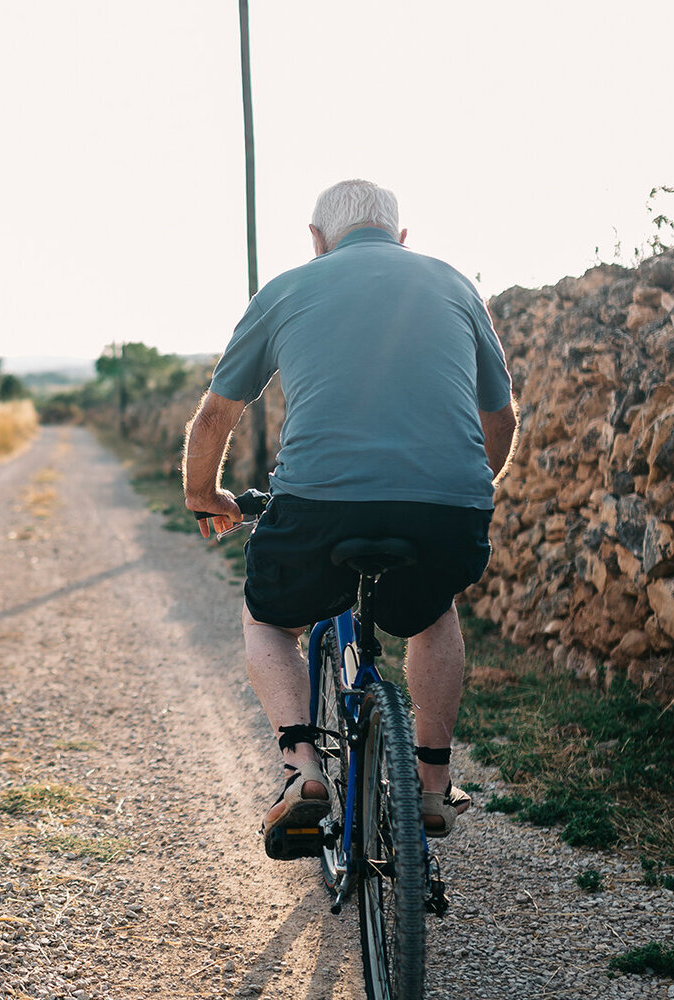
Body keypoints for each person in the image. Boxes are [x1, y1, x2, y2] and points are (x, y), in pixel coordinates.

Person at [182, 179, 518, 853]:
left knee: (268, 621)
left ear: (316, 240)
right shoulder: (454, 285)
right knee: (432, 613)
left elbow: (217, 415)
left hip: (317, 504)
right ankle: (431, 783)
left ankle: (301, 768)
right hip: (448, 504)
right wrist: (463, 490)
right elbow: (500, 418)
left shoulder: (285, 289)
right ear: (400, 238)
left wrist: (204, 497)